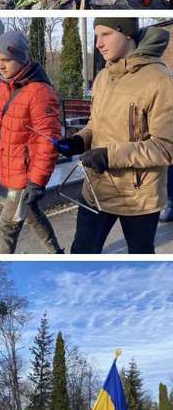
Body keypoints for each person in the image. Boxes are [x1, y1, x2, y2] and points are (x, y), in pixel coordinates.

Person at [55, 20, 173, 253]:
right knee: (81, 253)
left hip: (139, 197)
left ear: (127, 34)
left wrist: (109, 155)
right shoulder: (102, 78)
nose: (98, 44)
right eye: (96, 35)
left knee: (140, 258)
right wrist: (78, 140)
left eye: (106, 34)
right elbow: (94, 125)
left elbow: (165, 147)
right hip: (97, 189)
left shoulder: (160, 80)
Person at [0, 30, 63, 254]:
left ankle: (0, 265)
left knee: (7, 226)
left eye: (6, 60)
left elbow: (48, 141)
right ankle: (56, 253)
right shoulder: (5, 87)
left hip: (26, 175)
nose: (0, 66)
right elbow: (3, 122)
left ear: (21, 58)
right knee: (32, 215)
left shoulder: (40, 92)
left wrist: (37, 181)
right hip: (13, 169)